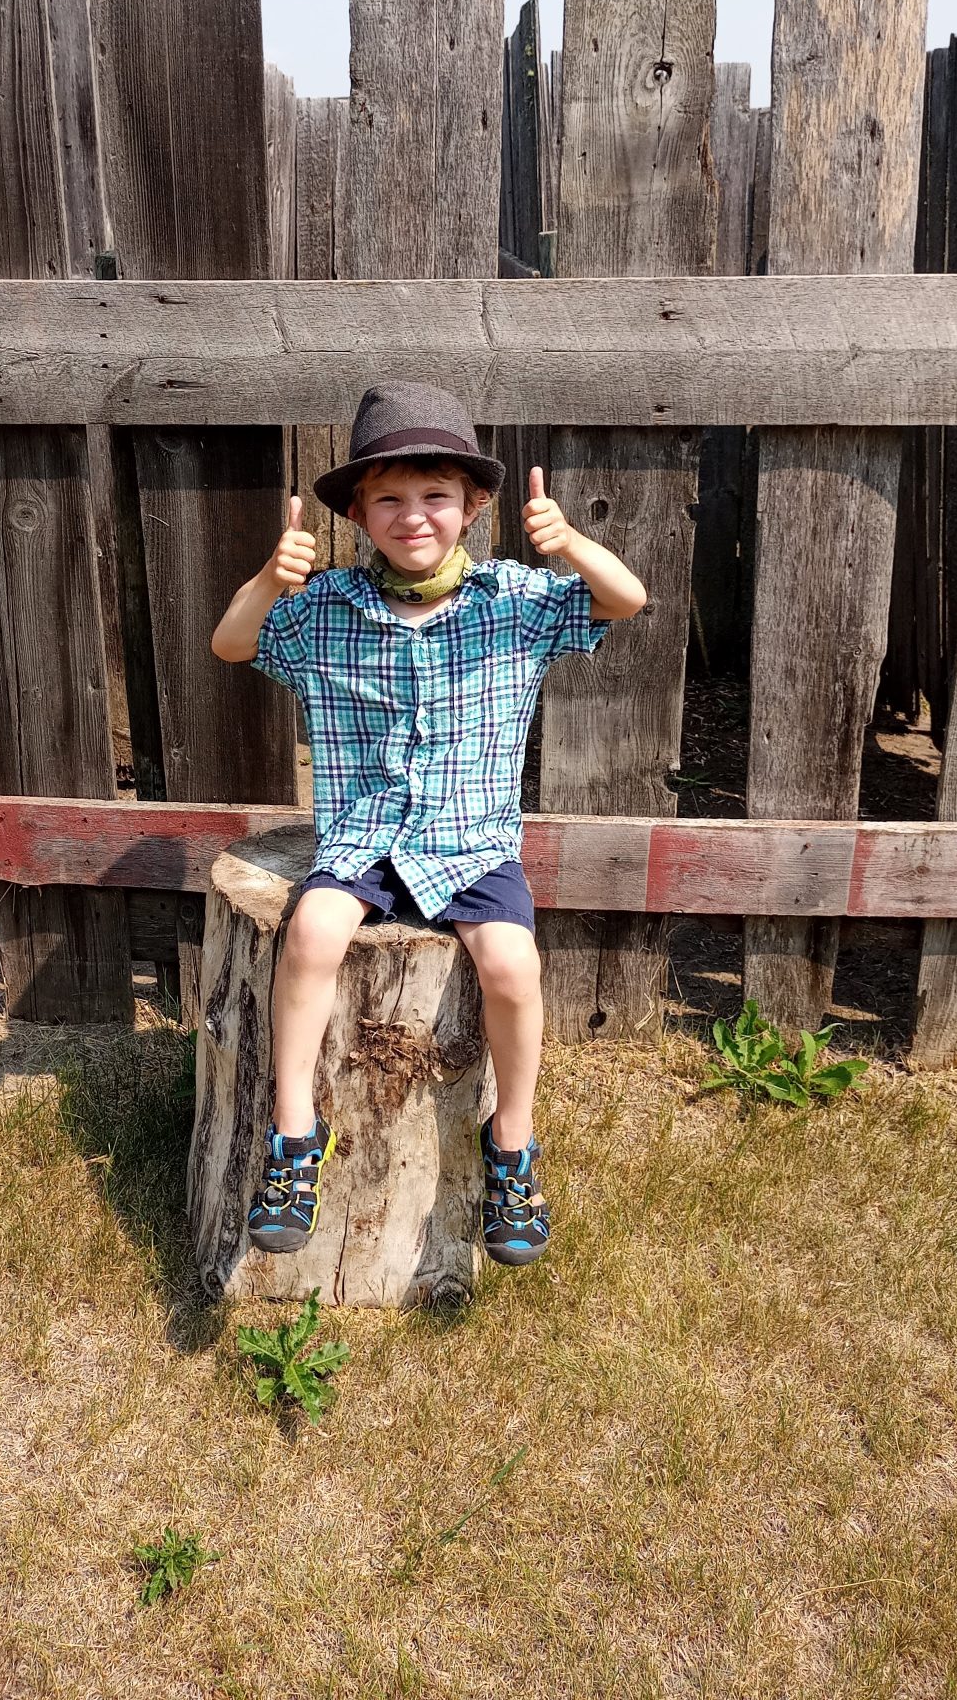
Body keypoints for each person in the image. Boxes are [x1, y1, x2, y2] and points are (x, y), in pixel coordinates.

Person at [209, 382, 647, 1266]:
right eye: (391, 499)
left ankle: (512, 1146)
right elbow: (231, 644)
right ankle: (296, 1136)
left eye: (436, 496)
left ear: (474, 505)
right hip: (366, 836)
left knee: (511, 964)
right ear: (360, 512)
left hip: (473, 843)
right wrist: (267, 578)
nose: (415, 516)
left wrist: (571, 544)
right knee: (312, 933)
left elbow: (626, 599)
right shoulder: (325, 610)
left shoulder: (518, 601)